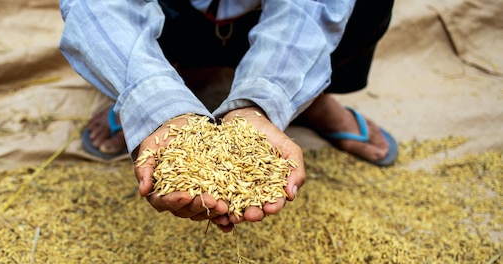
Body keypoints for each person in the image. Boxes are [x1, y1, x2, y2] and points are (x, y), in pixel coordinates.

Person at [59, 0, 398, 232]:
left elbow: (311, 7)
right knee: (137, 77)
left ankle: (312, 98)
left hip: (267, 14)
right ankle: (163, 88)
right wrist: (152, 104)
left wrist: (264, 101)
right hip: (173, 14)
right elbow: (97, 7)